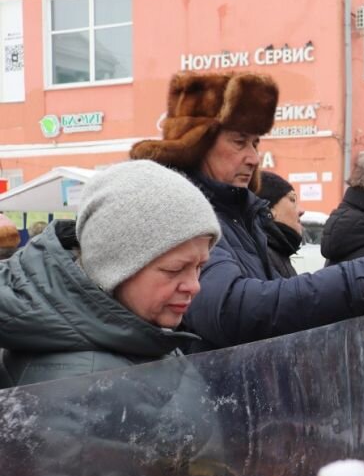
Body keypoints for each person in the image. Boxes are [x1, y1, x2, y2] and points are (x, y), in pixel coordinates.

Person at [131, 72, 364, 350]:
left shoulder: (241, 218)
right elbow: (230, 310)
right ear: (198, 144)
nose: (254, 158)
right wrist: (360, 283)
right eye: (239, 142)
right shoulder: (185, 217)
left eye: (255, 143)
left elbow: (274, 309)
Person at [0, 161, 221, 385]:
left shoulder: (143, 334)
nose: (194, 286)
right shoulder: (84, 381)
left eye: (199, 267)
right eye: (174, 269)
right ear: (112, 268)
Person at [257, 171, 303, 278]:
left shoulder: (277, 251)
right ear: (269, 209)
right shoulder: (263, 256)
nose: (301, 211)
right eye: (292, 200)